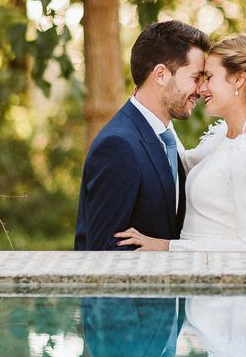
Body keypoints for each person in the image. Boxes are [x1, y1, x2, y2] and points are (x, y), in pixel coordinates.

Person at [114, 34, 246, 252]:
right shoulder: (224, 136)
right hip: (194, 270)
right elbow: (177, 160)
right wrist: (154, 104)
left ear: (238, 79)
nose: (201, 89)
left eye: (209, 77)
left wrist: (166, 247)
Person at [74, 20, 209, 251]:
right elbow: (103, 251)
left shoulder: (167, 137)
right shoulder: (118, 145)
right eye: (195, 78)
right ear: (161, 75)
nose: (201, 89)